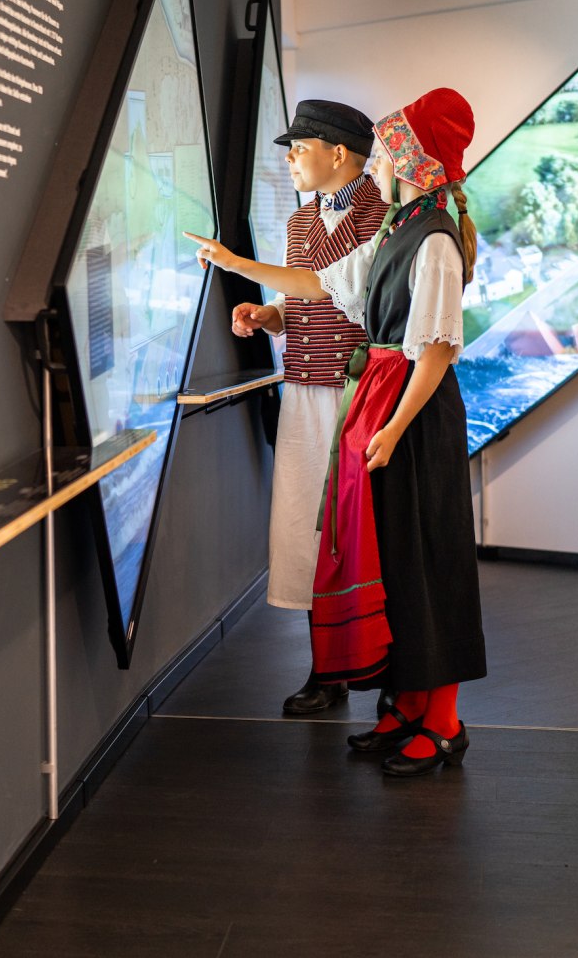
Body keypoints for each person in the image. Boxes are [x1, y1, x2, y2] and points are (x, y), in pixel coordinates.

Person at [186, 87, 486, 776]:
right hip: (382, 399)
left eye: (394, 142)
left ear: (413, 155)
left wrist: (390, 426)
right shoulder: (403, 224)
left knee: (424, 555)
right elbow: (319, 287)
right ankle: (405, 703)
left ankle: (439, 718)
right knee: (394, 555)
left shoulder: (428, 232)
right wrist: (249, 283)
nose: (383, 153)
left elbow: (435, 347)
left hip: (403, 403)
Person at [231, 99, 387, 715]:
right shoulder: (302, 222)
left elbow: (338, 289)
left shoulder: (382, 216)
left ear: (338, 153)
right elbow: (300, 302)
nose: (291, 159)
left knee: (360, 529)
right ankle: (328, 668)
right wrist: (268, 315)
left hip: (357, 391)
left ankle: (380, 662)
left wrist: (237, 265)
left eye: (299, 149)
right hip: (302, 385)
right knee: (303, 523)